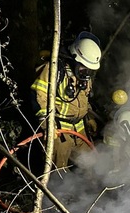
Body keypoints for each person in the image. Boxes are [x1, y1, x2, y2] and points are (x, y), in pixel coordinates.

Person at [30, 31, 102, 170]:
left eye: (89, 70)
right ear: (75, 59)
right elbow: (39, 96)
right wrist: (48, 126)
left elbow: (83, 99)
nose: (86, 73)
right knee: (58, 171)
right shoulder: (54, 70)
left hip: (80, 130)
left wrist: (89, 118)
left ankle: (92, 185)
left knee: (93, 167)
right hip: (59, 132)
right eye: (84, 68)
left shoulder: (84, 76)